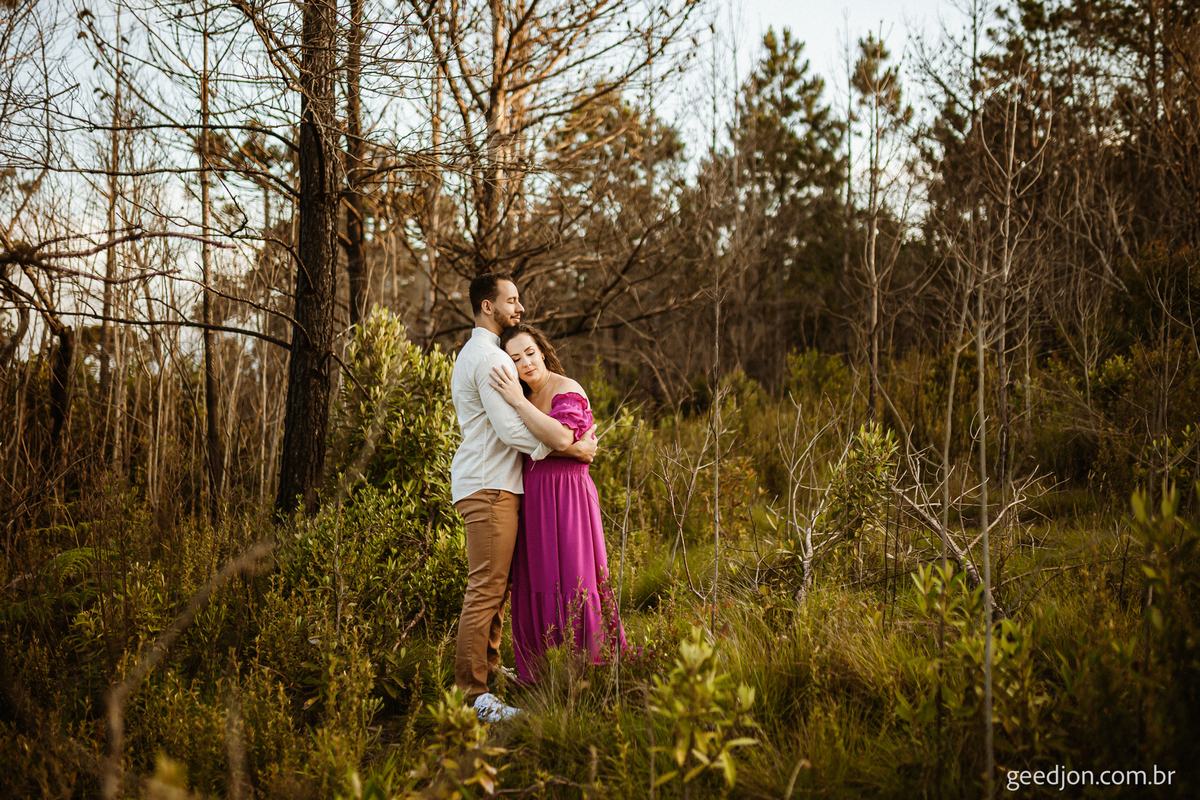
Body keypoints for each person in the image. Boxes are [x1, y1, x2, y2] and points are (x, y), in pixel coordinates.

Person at [449, 274, 597, 722]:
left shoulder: (479, 352)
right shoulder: (489, 358)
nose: (520, 308)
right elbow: (511, 430)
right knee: (486, 589)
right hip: (490, 486)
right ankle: (473, 697)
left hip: (492, 483)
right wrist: (572, 448)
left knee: (495, 588)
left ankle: (489, 674)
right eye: (512, 300)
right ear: (488, 306)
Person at [489, 323, 626, 683]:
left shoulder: (566, 389)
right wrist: (573, 448)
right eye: (515, 359)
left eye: (530, 353)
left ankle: (588, 664)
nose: (526, 363)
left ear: (543, 351)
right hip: (533, 495)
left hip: (568, 495)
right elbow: (556, 444)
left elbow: (562, 436)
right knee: (541, 576)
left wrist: (519, 402)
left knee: (575, 575)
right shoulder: (520, 397)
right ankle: (543, 669)